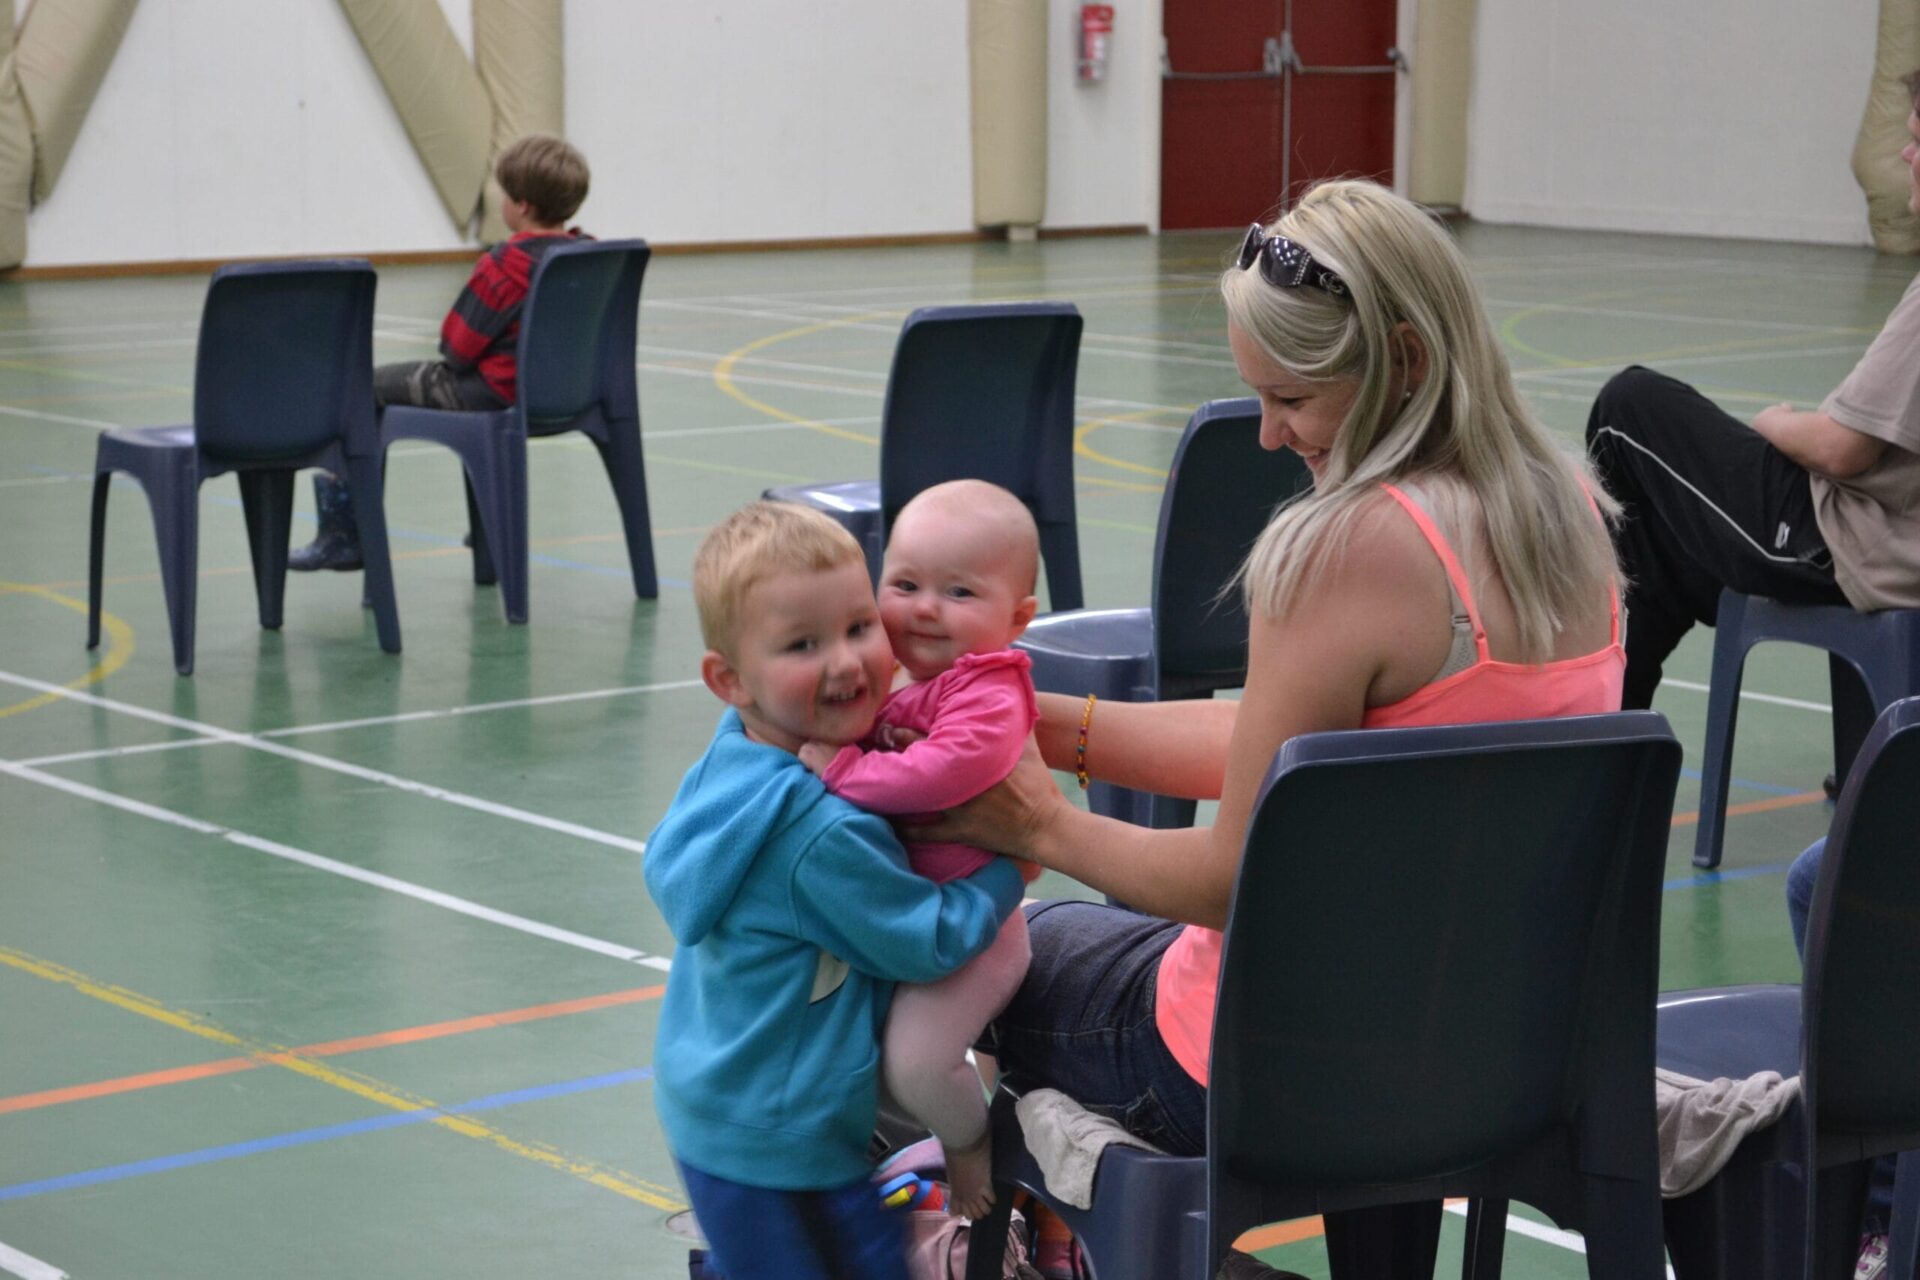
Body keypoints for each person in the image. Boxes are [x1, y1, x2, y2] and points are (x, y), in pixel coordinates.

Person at [920, 178, 1624, 1271]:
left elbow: (1225, 879)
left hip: (1270, 1072)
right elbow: (1309, 757)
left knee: (984, 944)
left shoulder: (1344, 548)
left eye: (1291, 397)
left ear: (1405, 360)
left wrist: (1037, 823)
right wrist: (1052, 725)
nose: (1267, 433)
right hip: (1496, 1056)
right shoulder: (1571, 515)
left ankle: (964, 1239)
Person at [644, 500, 1027, 1280]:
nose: (847, 663)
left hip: (726, 1106)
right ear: (729, 679)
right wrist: (1008, 869)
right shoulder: (815, 834)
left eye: (859, 627)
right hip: (780, 1143)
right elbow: (923, 941)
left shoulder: (739, 751)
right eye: (803, 645)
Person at [1584, 70, 1920, 714]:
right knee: (1653, 544)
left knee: (1628, 407)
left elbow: (1842, 448)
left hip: (1848, 545)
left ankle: (1607, 737)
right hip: (1887, 552)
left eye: (1918, 141)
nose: (1906, 156)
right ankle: (1615, 725)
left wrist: (1774, 422)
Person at [796, 479, 1041, 1221]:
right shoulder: (904, 681)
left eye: (959, 592)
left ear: (1018, 618)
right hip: (916, 920)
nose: (926, 608)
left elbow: (947, 769)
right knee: (861, 1059)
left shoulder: (990, 688)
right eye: (905, 585)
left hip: (980, 934)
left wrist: (846, 770)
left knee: (919, 1065)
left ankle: (971, 1146)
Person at [289, 133, 594, 571]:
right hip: (568, 392)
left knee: (362, 388)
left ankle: (345, 532)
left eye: (504, 194)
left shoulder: (507, 265)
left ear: (522, 206)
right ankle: (490, 524)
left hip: (494, 392)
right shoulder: (587, 255)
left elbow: (457, 349)